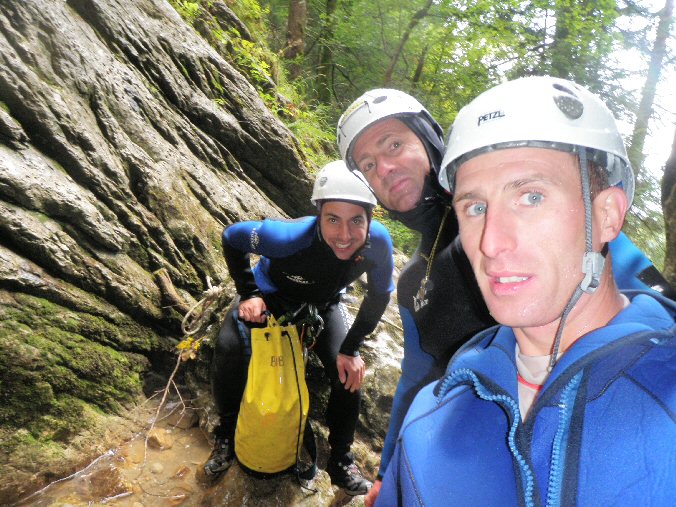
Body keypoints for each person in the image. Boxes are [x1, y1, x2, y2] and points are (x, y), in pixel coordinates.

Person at [376, 76, 676, 506]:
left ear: (607, 215)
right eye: (476, 208)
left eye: (531, 197)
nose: (491, 243)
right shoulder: (428, 419)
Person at [336, 89, 497, 504]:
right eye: (368, 165)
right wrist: (385, 473)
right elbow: (413, 380)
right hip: (469, 461)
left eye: (394, 144)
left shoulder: (504, 210)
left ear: (428, 142)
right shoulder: (412, 282)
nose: (384, 168)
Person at [204, 160, 395, 496]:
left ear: (370, 219)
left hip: (322, 305)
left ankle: (340, 459)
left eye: (356, 221)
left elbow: (379, 296)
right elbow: (232, 238)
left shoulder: (378, 244)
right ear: (319, 215)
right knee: (231, 350)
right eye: (333, 219)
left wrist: (350, 350)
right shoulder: (287, 237)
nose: (345, 235)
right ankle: (226, 433)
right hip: (270, 297)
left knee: (349, 378)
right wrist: (248, 293)